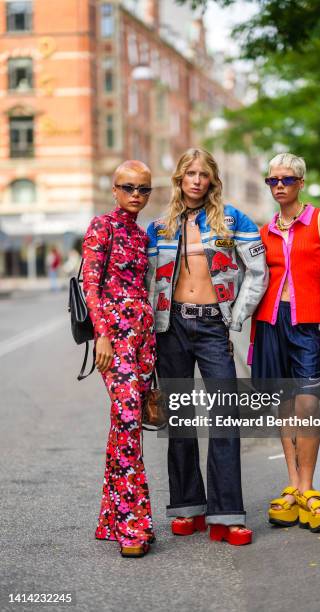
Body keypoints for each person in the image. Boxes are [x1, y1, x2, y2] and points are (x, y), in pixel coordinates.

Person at [146, 148, 268, 546]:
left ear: (213, 180)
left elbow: (258, 271)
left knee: (225, 417)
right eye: (190, 173)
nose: (197, 180)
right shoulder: (159, 228)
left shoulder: (233, 219)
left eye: (204, 174)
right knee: (180, 419)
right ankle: (187, 508)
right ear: (179, 179)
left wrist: (236, 316)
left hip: (213, 325)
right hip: (171, 326)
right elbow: (144, 281)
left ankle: (226, 514)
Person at [250, 153, 320, 532]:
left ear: (301, 183)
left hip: (309, 324)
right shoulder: (264, 230)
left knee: (307, 405)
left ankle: (307, 488)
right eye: (273, 180)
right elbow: (254, 278)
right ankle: (293, 487)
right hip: (271, 324)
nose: (279, 185)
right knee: (285, 406)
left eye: (287, 179)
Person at [82, 160, 156, 558]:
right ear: (114, 189)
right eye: (128, 187)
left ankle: (112, 517)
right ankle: (134, 527)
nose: (136, 195)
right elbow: (91, 285)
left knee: (124, 427)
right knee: (127, 417)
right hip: (115, 339)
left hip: (143, 340)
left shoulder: (141, 236)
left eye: (144, 189)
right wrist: (102, 335)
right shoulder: (101, 227)